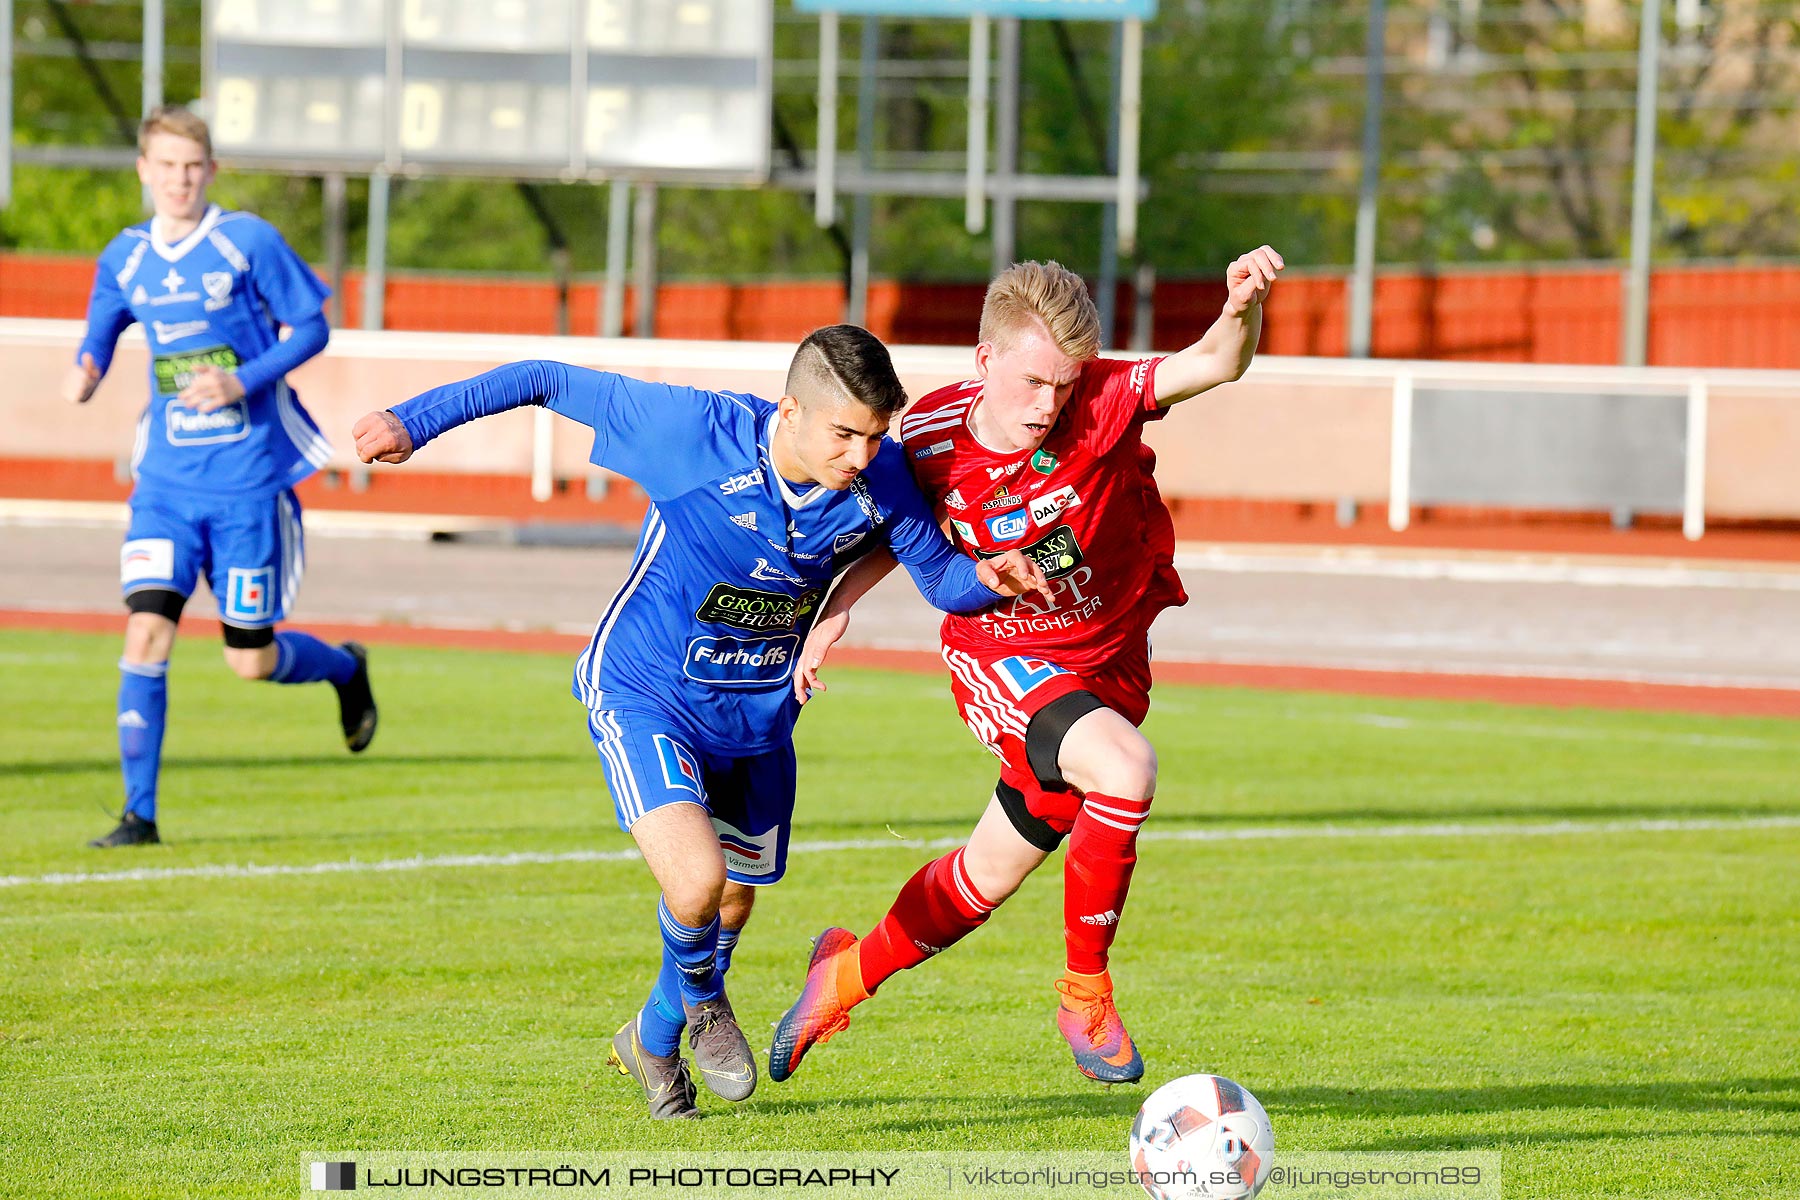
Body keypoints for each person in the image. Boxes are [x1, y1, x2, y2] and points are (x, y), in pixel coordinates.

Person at [350, 327, 1048, 1120]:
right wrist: (415, 419)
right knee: (698, 882)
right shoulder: (692, 433)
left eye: (875, 434)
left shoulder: (880, 478)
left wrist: (991, 578)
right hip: (647, 690)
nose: (860, 453)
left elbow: (940, 578)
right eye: (844, 432)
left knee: (735, 904)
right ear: (789, 411)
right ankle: (708, 1003)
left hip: (758, 717)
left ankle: (651, 1039)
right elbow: (543, 376)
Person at [767, 249, 1285, 1088]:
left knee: (983, 879)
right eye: (1032, 384)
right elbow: (904, 538)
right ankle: (1084, 994)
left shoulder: (1105, 401)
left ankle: (843, 977)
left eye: (1064, 385)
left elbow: (1218, 361)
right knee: (1126, 770)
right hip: (1003, 655)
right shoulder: (928, 434)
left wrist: (1242, 305)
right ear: (985, 361)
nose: (1049, 406)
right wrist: (837, 607)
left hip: (1107, 667)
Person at [64, 106, 377, 850]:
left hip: (247, 483)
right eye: (165, 166)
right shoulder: (127, 255)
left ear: (211, 171)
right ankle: (138, 815)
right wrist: (86, 369)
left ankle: (342, 669)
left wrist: (243, 381)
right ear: (144, 170)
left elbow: (311, 327)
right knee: (146, 632)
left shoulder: (247, 242)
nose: (179, 179)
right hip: (166, 487)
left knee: (249, 659)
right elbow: (102, 326)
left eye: (192, 166)